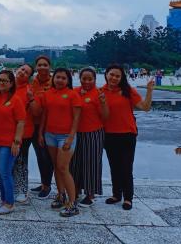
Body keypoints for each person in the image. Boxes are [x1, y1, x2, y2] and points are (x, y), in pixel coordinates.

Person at [103, 64, 154, 210]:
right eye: (111, 74)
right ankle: (116, 194)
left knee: (126, 167)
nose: (114, 78)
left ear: (122, 78)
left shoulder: (128, 91)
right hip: (109, 134)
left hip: (127, 134)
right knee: (114, 166)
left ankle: (128, 198)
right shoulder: (101, 92)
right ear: (106, 74)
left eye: (117, 76)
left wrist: (149, 91)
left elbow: (145, 107)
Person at [38, 67, 81, 217]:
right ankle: (61, 195)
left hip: (65, 136)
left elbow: (76, 118)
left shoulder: (73, 94)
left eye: (63, 78)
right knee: (56, 166)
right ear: (53, 78)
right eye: (57, 77)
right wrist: (40, 133)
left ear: (68, 80)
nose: (60, 80)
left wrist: (70, 137)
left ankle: (73, 203)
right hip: (50, 135)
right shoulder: (48, 94)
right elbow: (45, 114)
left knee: (63, 167)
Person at [0, 69, 25, 215]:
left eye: (5, 81)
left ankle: (10, 203)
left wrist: (16, 142)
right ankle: (3, 199)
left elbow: (21, 121)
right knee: (0, 172)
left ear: (11, 83)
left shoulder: (16, 99)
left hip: (8, 143)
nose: (1, 83)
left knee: (5, 172)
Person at [70, 67, 108, 207]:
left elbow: (105, 116)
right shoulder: (75, 92)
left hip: (93, 133)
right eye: (84, 79)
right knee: (74, 163)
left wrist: (103, 102)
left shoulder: (99, 93)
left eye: (90, 79)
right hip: (76, 133)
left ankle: (90, 194)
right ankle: (75, 190)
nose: (86, 81)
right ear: (79, 78)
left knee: (91, 163)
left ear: (95, 79)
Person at [13, 63, 40, 203]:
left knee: (21, 162)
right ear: (17, 69)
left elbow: (36, 112)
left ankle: (22, 189)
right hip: (7, 131)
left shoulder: (29, 90)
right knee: (8, 162)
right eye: (22, 69)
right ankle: (11, 187)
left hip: (24, 132)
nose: (23, 72)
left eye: (27, 72)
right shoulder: (8, 86)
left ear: (29, 77)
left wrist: (31, 98)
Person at [29, 55, 54, 198]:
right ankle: (44, 182)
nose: (42, 67)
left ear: (50, 66)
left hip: (49, 124)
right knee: (40, 155)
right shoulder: (32, 82)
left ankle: (47, 185)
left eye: (45, 65)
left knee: (46, 156)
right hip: (34, 123)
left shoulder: (54, 82)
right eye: (40, 65)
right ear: (36, 67)